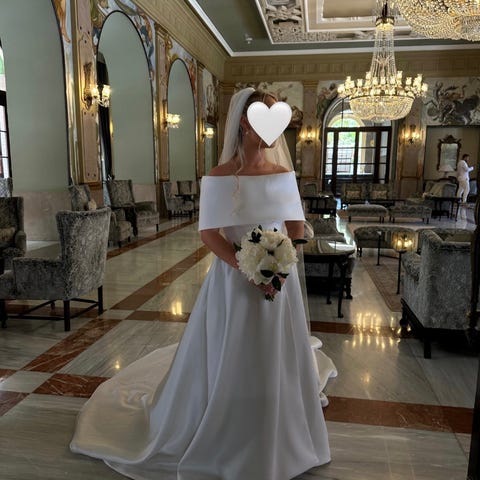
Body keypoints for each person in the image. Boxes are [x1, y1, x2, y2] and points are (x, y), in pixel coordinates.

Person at [70, 87, 336, 480]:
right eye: (263, 117)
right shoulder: (219, 176)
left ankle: (277, 427)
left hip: (281, 281)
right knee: (236, 350)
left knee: (276, 350)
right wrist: (249, 269)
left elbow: (296, 228)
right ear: (243, 122)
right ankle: (227, 427)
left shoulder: (283, 174)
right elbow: (210, 234)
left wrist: (279, 268)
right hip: (234, 280)